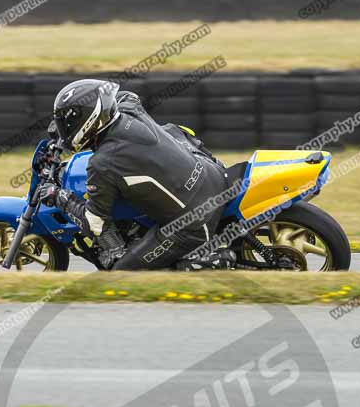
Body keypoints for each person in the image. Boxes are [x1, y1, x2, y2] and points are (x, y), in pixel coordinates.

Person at [37, 79, 233, 270]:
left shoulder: (103, 163)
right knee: (172, 130)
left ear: (86, 121)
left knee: (121, 271)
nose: (65, 128)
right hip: (212, 173)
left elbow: (95, 224)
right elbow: (128, 96)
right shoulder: (129, 109)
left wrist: (60, 197)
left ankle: (214, 260)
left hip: (194, 222)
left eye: (68, 123)